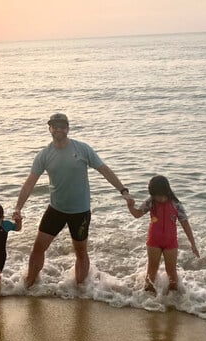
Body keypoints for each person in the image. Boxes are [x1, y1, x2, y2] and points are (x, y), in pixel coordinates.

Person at [13, 113, 135, 287]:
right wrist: (18, 207)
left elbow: (104, 169)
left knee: (80, 252)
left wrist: (123, 191)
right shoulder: (44, 155)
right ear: (50, 129)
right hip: (55, 209)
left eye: (62, 126)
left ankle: (80, 288)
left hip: (80, 212)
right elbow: (30, 182)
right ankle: (28, 284)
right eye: (55, 126)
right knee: (38, 248)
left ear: (68, 128)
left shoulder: (82, 149)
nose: (58, 129)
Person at [125, 175, 200, 293]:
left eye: (159, 195)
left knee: (171, 272)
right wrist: (130, 207)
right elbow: (138, 214)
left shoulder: (176, 204)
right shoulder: (151, 201)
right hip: (153, 240)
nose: (157, 198)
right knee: (152, 270)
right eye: (154, 195)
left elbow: (185, 224)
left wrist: (193, 244)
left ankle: (174, 300)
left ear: (166, 191)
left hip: (170, 242)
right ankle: (147, 298)